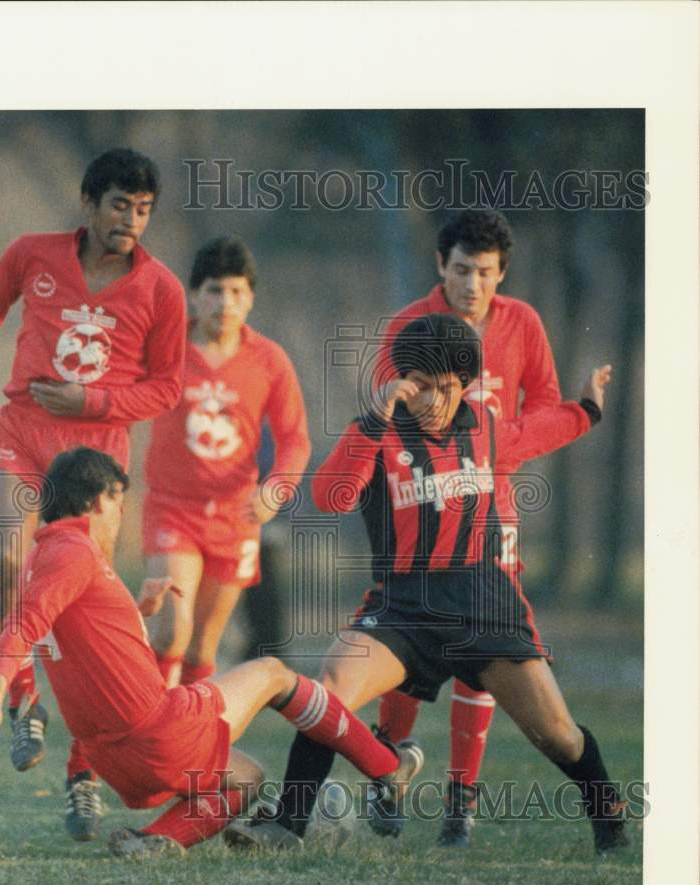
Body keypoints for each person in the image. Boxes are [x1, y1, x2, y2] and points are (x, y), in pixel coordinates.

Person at [225, 314, 628, 856]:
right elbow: (331, 498)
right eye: (420, 386)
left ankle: (610, 816)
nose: (432, 401)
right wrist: (374, 418)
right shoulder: (381, 430)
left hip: (485, 605)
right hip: (403, 606)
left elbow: (534, 433)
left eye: (444, 387)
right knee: (331, 691)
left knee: (556, 734)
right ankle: (286, 825)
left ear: (464, 383)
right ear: (402, 381)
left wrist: (587, 409)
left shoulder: (483, 425)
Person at [0, 447, 423, 858]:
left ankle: (157, 839)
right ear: (101, 499)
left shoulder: (46, 558)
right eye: (120, 501)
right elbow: (23, 626)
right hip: (156, 734)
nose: (121, 518)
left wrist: (138, 607)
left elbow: (74, 634)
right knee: (274, 673)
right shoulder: (73, 551)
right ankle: (389, 767)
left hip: (115, 761)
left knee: (246, 778)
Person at [0, 148, 187, 837]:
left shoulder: (161, 289)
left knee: (84, 623)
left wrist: (90, 399)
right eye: (120, 205)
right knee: (3, 555)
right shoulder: (32, 253)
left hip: (95, 463)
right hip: (24, 433)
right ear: (89, 202)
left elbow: (167, 386)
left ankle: (81, 781)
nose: (131, 221)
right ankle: (25, 697)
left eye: (143, 210)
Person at [371, 208, 563, 844]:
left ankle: (461, 800)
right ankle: (387, 768)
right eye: (460, 269)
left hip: (494, 502)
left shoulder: (524, 323)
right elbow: (383, 407)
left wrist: (495, 448)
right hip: (422, 498)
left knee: (487, 642)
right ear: (439, 266)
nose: (472, 284)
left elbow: (546, 405)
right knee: (409, 633)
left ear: (501, 273)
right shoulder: (410, 324)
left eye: (485, 273)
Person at [140, 236, 310, 687]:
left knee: (202, 645)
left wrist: (276, 490)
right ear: (196, 293)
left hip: (237, 516)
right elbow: (122, 393)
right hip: (173, 508)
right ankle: (155, 737)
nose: (226, 303)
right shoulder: (167, 346)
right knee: (172, 629)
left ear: (251, 298)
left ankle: (189, 740)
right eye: (215, 290)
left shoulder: (269, 360)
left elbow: (295, 439)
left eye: (237, 292)